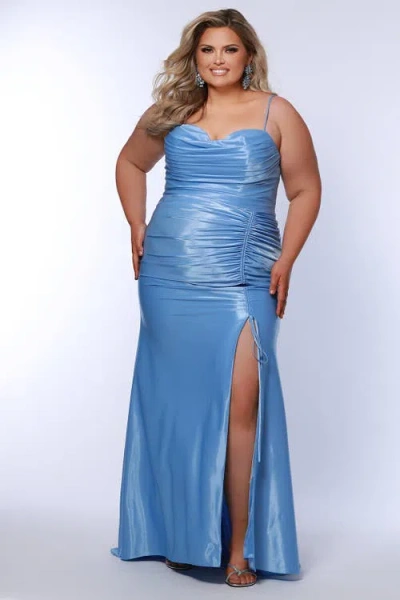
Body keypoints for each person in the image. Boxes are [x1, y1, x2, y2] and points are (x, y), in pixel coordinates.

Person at [110, 8, 321, 588]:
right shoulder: (173, 111)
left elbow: (305, 189)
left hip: (245, 275)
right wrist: (136, 224)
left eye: (229, 49)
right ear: (195, 57)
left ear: (248, 55)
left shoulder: (278, 112)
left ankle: (238, 548)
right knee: (178, 406)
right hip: (170, 274)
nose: (218, 59)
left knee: (242, 406)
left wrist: (286, 259)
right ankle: (182, 535)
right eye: (207, 50)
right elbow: (130, 162)